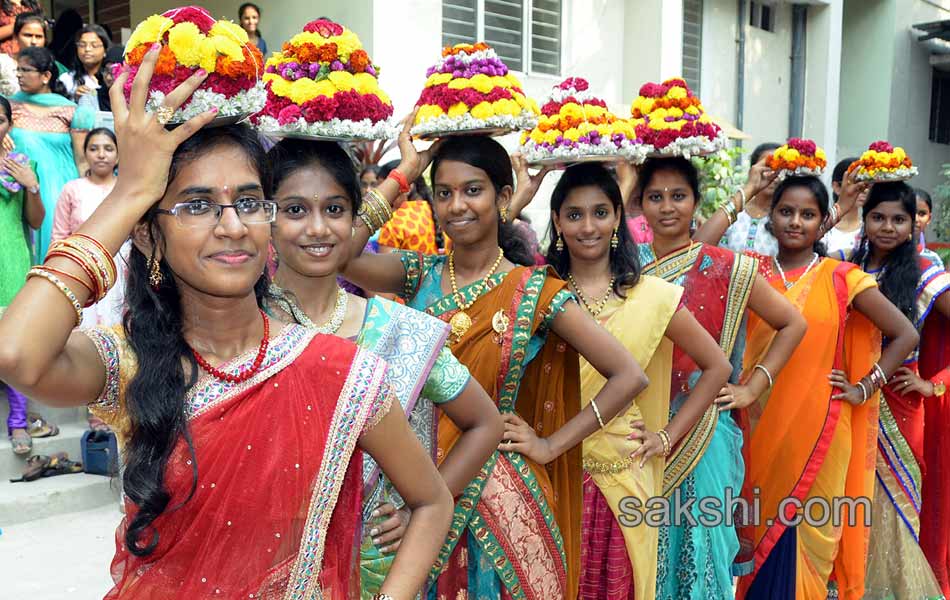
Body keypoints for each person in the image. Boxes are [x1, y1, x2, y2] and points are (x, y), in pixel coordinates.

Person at [0, 48, 453, 598]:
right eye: (196, 205)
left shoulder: (340, 370)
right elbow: (17, 354)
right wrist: (132, 192)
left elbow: (431, 501)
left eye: (249, 201)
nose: (233, 226)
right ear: (146, 235)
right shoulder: (129, 361)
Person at [344, 130, 650, 599]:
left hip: (500, 497)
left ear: (503, 196)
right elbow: (342, 255)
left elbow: (629, 375)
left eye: (473, 190)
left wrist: (550, 445)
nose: (456, 206)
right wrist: (406, 172)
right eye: (443, 193)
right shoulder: (416, 273)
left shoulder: (535, 291)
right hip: (416, 483)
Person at [264, 138, 503, 599]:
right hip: (264, 564)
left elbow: (485, 422)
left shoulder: (399, 330)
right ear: (267, 219)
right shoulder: (240, 328)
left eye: (335, 210)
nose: (318, 228)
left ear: (355, 221)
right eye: (295, 210)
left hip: (379, 573)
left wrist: (427, 503)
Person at [542, 163, 733, 599]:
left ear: (617, 219)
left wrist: (666, 437)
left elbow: (717, 367)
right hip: (554, 469)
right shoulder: (539, 292)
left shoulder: (652, 295)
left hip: (623, 476)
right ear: (556, 221)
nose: (588, 226)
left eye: (600, 212)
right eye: (574, 215)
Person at [732, 176, 921, 600]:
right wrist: (745, 193)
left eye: (808, 214)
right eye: (786, 211)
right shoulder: (749, 270)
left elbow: (905, 334)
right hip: (756, 424)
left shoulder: (842, 277)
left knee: (810, 545)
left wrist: (865, 386)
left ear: (823, 223)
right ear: (770, 215)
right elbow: (695, 253)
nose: (795, 222)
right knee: (755, 537)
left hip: (821, 426)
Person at [635, 156, 807, 597]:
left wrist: (753, 385)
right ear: (640, 204)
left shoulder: (729, 267)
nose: (668, 207)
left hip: (703, 433)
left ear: (696, 202)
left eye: (679, 196)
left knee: (701, 551)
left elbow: (793, 323)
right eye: (656, 197)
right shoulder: (626, 267)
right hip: (634, 429)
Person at [843, 183, 950, 597]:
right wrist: (841, 207)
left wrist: (934, 382)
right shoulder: (851, 264)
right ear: (865, 220)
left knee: (898, 506)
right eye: (878, 217)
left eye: (899, 219)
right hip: (851, 396)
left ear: (913, 226)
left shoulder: (925, 270)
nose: (887, 227)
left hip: (900, 403)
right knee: (854, 496)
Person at [10, 45, 94, 262]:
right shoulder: (8, 108)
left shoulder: (72, 111)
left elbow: (82, 159)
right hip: (17, 188)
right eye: (17, 70)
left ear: (46, 75)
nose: (19, 75)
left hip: (58, 190)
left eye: (25, 70)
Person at [0, 94, 41, 455]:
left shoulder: (20, 163)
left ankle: (18, 422)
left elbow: (36, 220)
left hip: (11, 259)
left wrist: (31, 184)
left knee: (12, 343)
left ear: (9, 125)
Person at [52, 127, 124, 328]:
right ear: (85, 154)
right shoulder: (72, 189)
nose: (101, 154)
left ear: (118, 156)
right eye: (94, 148)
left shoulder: (125, 190)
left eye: (108, 148)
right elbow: (59, 237)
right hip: (81, 268)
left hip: (122, 268)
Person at [720, 142, 781, 255]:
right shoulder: (736, 211)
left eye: (779, 169)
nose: (773, 175)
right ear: (752, 171)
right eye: (767, 167)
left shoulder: (787, 217)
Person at [59, 25, 109, 109]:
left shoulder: (112, 77)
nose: (87, 49)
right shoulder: (66, 79)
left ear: (105, 51)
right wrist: (74, 98)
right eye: (82, 45)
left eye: (94, 45)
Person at [821, 157, 863, 256]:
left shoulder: (870, 230)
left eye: (868, 184)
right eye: (856, 183)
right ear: (836, 187)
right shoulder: (821, 229)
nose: (863, 189)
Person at [915, 188, 945, 268]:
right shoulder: (887, 254)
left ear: (929, 218)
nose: (916, 219)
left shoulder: (933, 259)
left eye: (922, 214)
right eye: (911, 212)